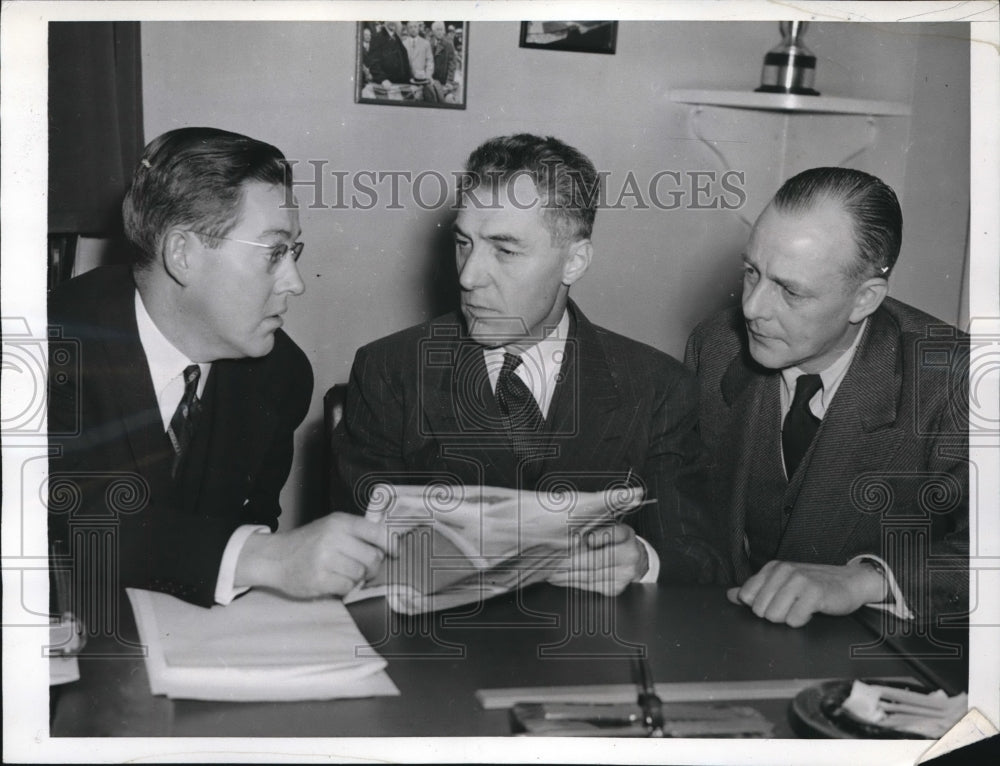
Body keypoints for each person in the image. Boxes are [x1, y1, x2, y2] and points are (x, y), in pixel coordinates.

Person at [335, 133, 729, 596]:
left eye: (505, 250)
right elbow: (351, 564)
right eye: (464, 243)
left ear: (574, 262)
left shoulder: (658, 387)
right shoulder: (390, 371)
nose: (468, 277)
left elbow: (700, 561)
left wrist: (643, 559)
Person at [48, 127, 389, 608]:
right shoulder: (47, 346)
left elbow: (252, 518)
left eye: (294, 253)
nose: (294, 283)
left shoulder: (280, 373)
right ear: (182, 254)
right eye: (273, 252)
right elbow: (72, 523)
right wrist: (268, 559)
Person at [685, 167, 968, 627]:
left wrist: (863, 581)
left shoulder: (953, 379)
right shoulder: (715, 346)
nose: (752, 308)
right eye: (752, 272)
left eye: (790, 291)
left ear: (865, 299)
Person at [368, 21, 411, 87]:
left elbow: (404, 61)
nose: (393, 22)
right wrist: (382, 79)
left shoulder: (397, 38)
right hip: (385, 84)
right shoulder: (377, 37)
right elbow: (373, 63)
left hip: (400, 84)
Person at [430, 21, 457, 100]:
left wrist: (449, 81)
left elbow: (452, 65)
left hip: (443, 80)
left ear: (444, 31)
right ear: (433, 31)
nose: (440, 32)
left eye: (441, 30)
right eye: (437, 30)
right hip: (431, 80)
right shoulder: (429, 43)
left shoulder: (448, 45)